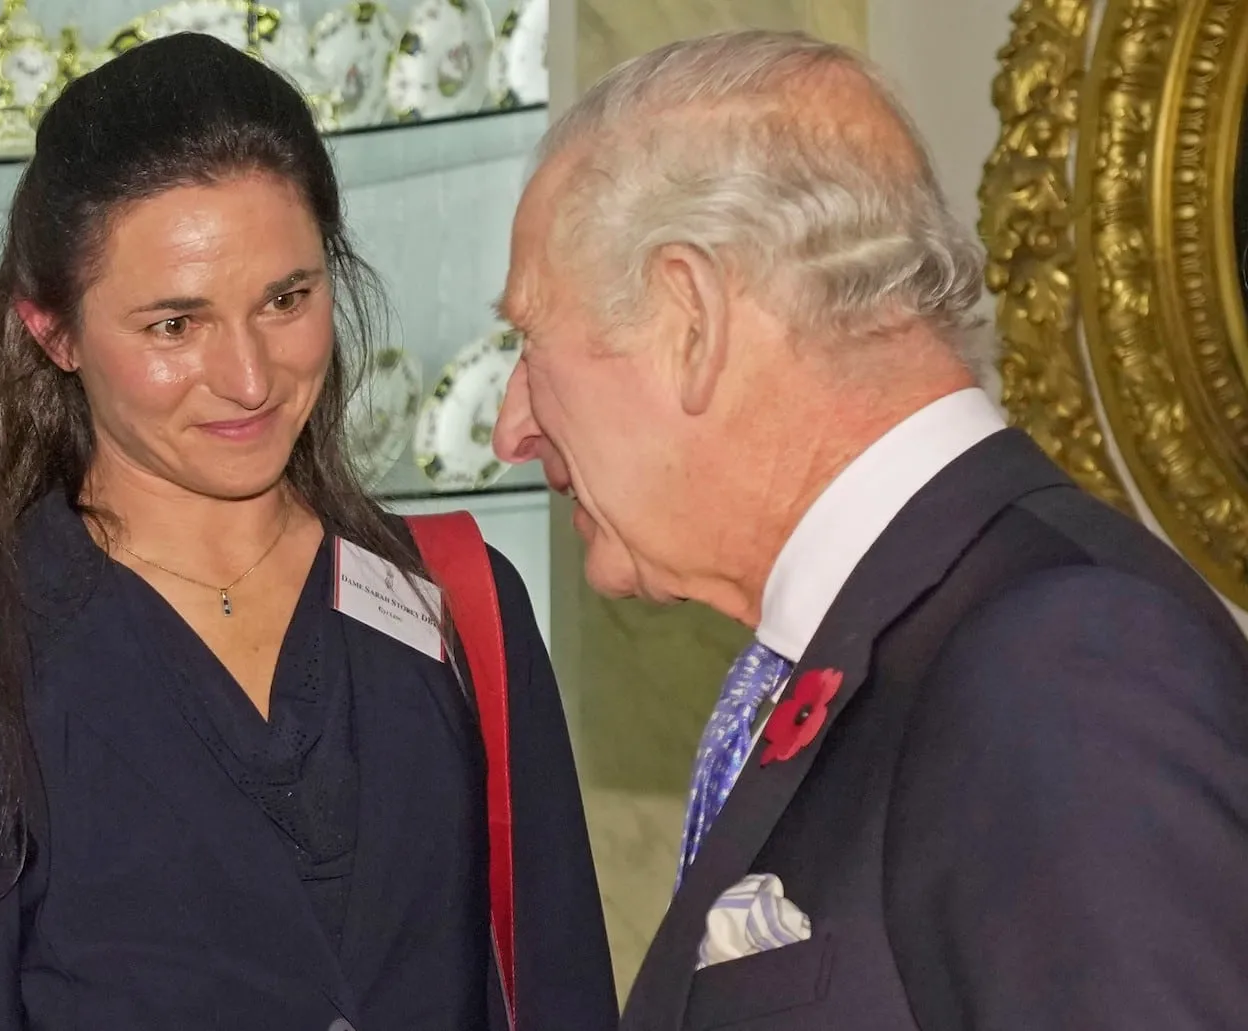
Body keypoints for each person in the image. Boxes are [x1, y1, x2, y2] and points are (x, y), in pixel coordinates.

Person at [0, 34, 616, 1031]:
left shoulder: (460, 599)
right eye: (174, 325)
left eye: (288, 299)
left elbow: (563, 987)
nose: (249, 377)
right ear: (51, 329)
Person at [493, 29, 1248, 1031]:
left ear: (690, 317)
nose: (511, 425)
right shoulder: (900, 633)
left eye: (529, 339)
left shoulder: (1061, 658)